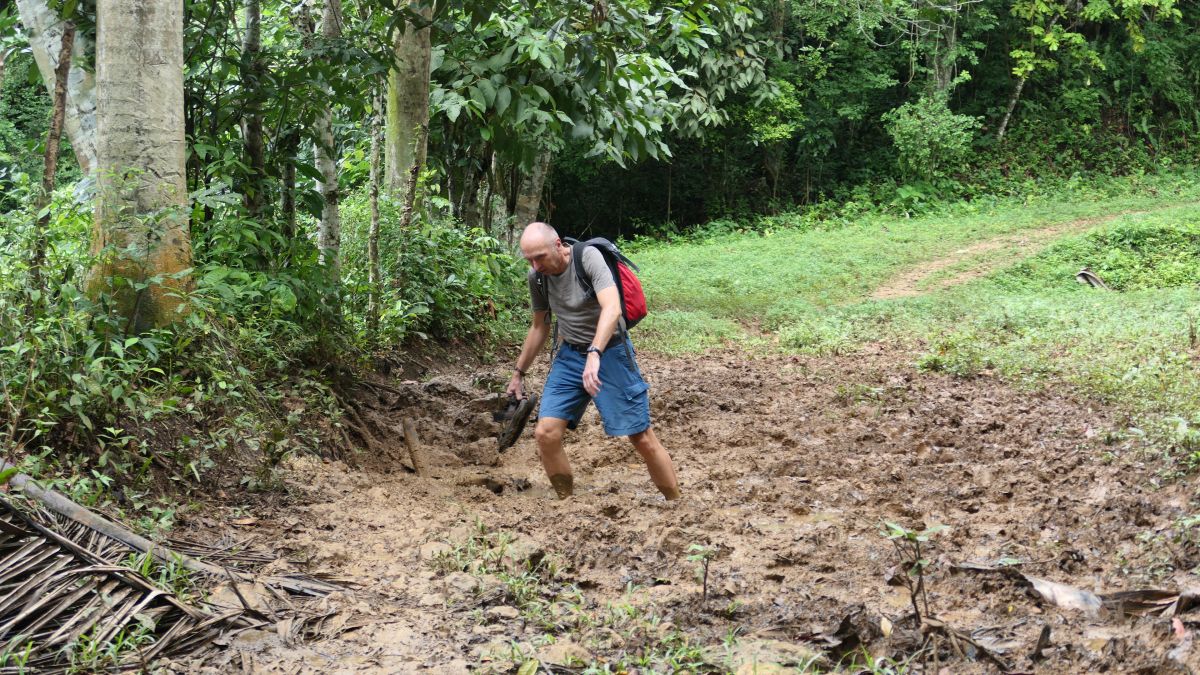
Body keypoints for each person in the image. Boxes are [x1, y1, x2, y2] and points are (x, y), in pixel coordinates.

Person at [506, 222, 681, 501]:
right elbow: (540, 326)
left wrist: (595, 353)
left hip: (610, 352)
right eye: (529, 260)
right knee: (546, 433)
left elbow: (612, 308)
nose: (536, 266)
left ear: (558, 245)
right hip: (570, 356)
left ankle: (676, 503)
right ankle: (567, 501)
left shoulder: (587, 257)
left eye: (540, 257)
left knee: (641, 438)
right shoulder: (537, 277)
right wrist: (518, 373)